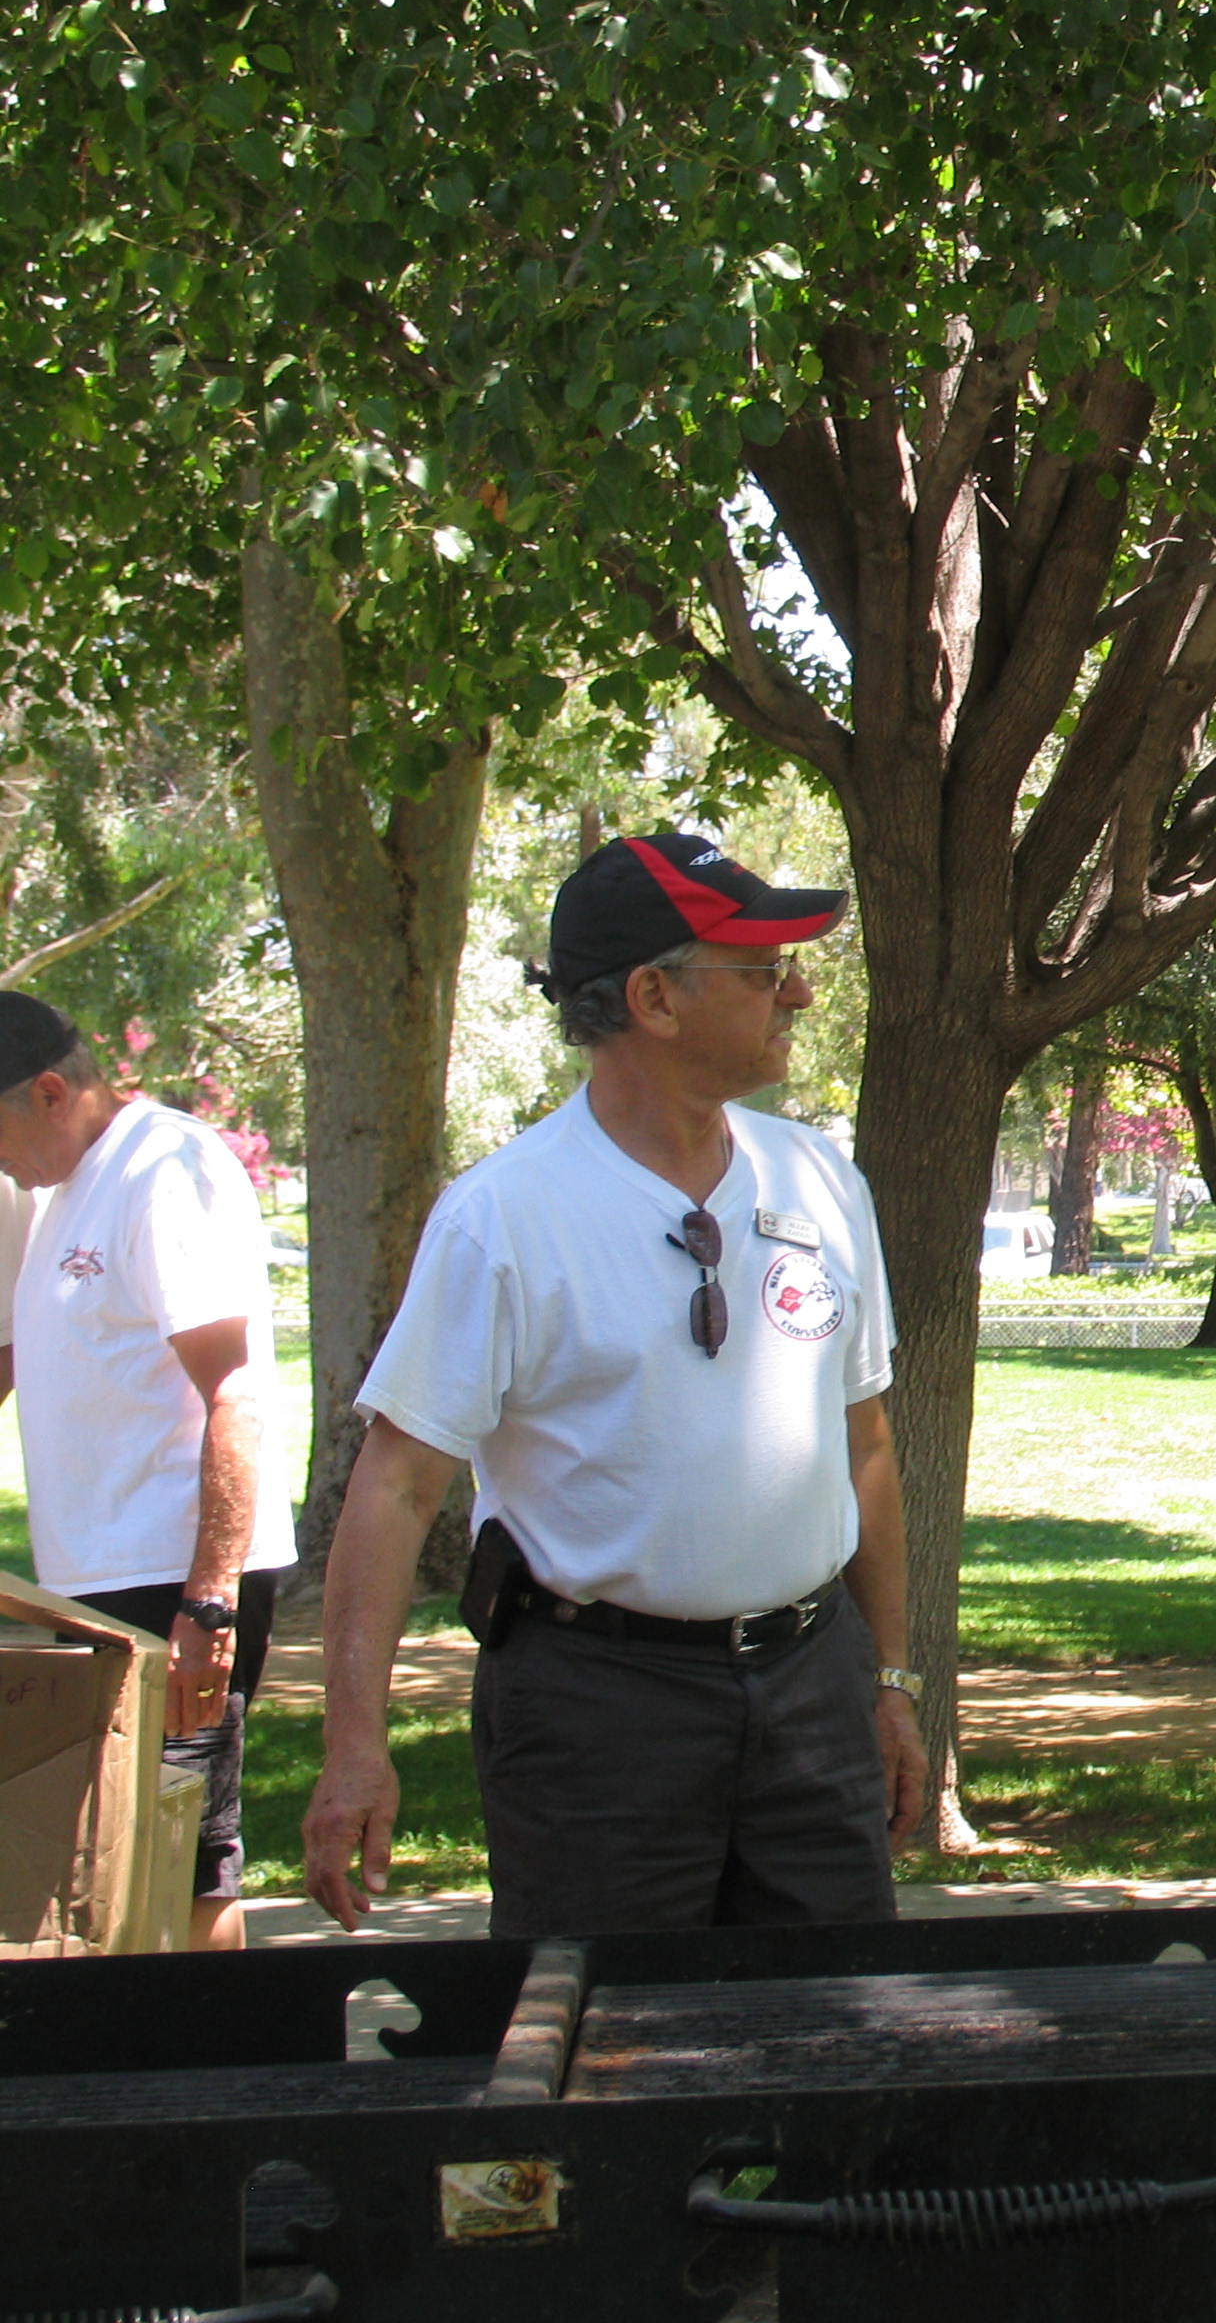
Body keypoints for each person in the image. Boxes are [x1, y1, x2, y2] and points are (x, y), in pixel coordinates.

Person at [301, 831, 923, 1938]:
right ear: (653, 998)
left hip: (811, 1692)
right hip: (596, 1712)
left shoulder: (822, 1180)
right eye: (763, 969)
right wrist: (355, 1748)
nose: (801, 990)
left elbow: (864, 1443)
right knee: (605, 2061)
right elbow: (395, 1492)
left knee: (836, 2049)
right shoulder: (505, 1217)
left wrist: (890, 1679)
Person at [0, 993, 282, 1952]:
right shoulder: (50, 1191)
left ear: (48, 1091)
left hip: (176, 1576)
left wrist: (210, 1604)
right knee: (105, 1866)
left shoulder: (164, 1168)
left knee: (189, 1860)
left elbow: (235, 1393)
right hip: (92, 1582)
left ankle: (219, 2088)